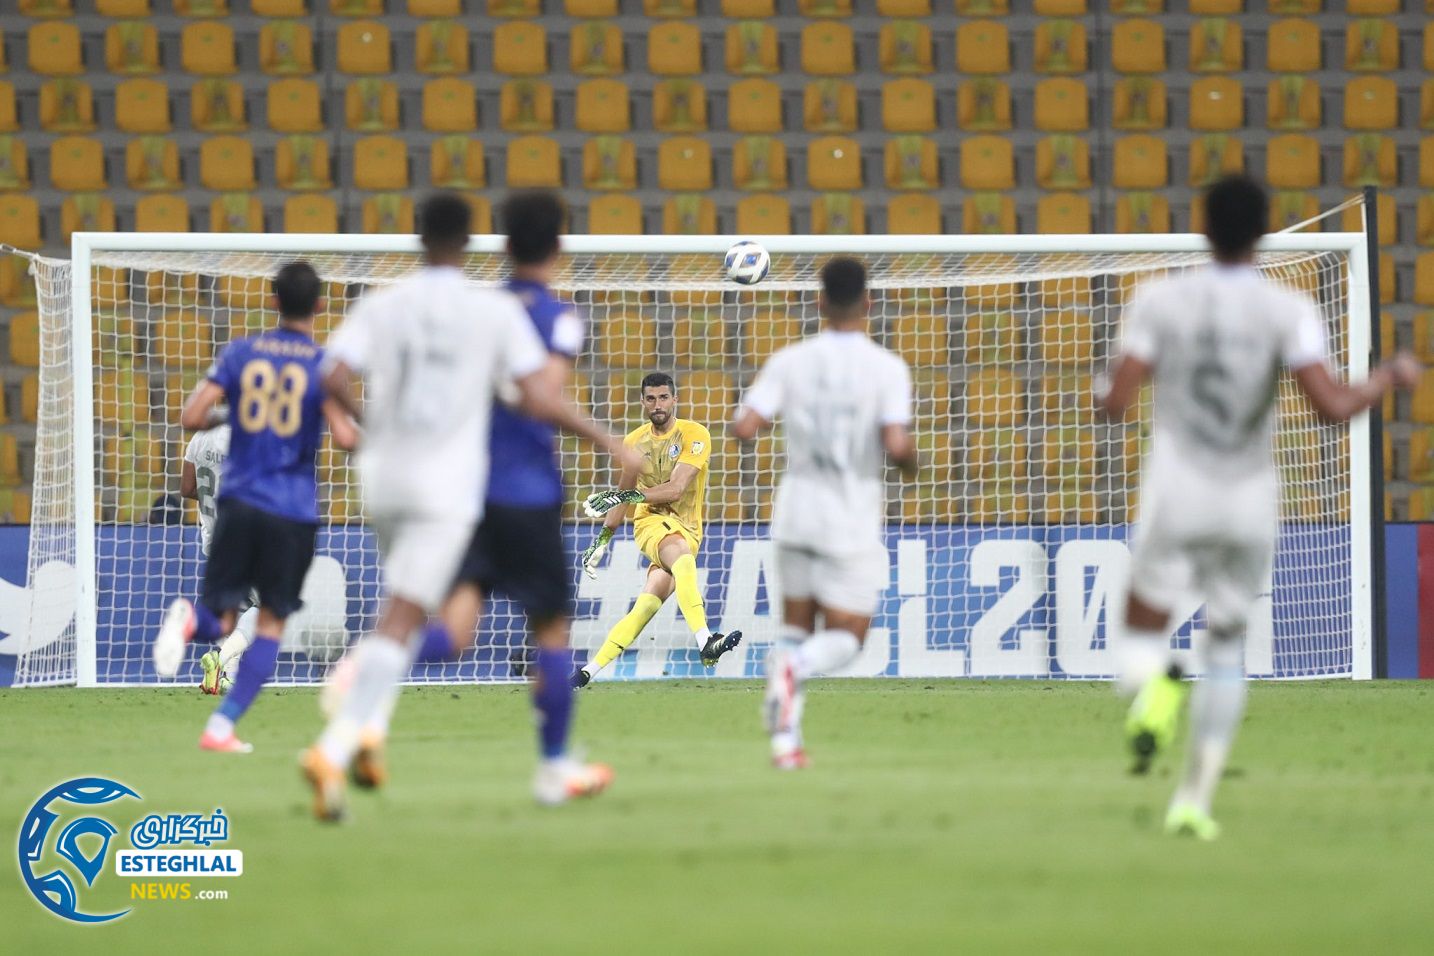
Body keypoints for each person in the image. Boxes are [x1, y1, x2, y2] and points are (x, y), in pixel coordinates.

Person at [1102, 174, 1420, 840]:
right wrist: (1387, 377)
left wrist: (1104, 389)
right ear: (1263, 231)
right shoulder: (1289, 308)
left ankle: (1161, 680)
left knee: (1139, 628)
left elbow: (1117, 401)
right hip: (1248, 498)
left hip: (1179, 489)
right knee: (1227, 644)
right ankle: (1193, 801)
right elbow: (1332, 408)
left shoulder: (1159, 299)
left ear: (1205, 223)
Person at [303, 192, 634, 821]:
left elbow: (335, 373)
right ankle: (554, 765)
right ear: (556, 247)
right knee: (552, 634)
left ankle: (362, 678)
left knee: (452, 633)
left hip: (455, 493)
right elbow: (541, 396)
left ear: (503, 247)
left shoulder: (419, 304)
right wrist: (611, 441)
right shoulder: (532, 316)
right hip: (523, 490)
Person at [152, 261, 359, 753]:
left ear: (273, 302)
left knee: (222, 620)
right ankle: (221, 726)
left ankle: (188, 622)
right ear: (321, 306)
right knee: (269, 623)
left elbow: (191, 416)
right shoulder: (321, 365)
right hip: (289, 510)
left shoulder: (240, 353)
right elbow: (348, 437)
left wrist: (244, 411)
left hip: (237, 504)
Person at [732, 257, 917, 769]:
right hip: (848, 516)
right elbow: (897, 444)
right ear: (868, 303)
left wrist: (771, 419)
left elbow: (746, 425)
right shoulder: (887, 368)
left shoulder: (790, 361)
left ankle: (785, 746)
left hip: (794, 510)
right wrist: (909, 462)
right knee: (847, 637)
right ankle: (795, 670)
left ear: (818, 302)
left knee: (795, 627)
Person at [575, 372, 743, 687]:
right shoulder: (634, 442)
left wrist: (625, 496)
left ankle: (587, 672)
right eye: (651, 398)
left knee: (648, 603)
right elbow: (621, 493)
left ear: (674, 399)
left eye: (663, 397)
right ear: (643, 402)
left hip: (690, 528)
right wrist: (602, 539)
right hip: (650, 522)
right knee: (678, 550)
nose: (658, 404)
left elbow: (676, 489)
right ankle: (706, 641)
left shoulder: (695, 435)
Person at [179, 422, 259, 695]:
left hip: (213, 539)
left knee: (235, 607)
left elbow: (187, 487)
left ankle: (227, 678)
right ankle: (220, 659)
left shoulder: (199, 439)